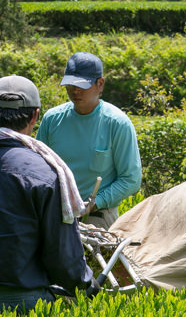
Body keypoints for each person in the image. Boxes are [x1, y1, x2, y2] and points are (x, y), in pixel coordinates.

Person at [0, 75, 97, 317]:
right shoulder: (45, 173)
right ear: (35, 116)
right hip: (22, 303)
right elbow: (62, 255)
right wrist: (89, 287)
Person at [37, 52, 142, 229]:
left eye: (82, 85)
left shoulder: (117, 123)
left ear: (100, 84)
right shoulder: (52, 119)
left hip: (98, 216)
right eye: (71, 85)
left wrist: (95, 202)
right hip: (54, 214)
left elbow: (131, 179)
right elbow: (38, 168)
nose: (75, 91)